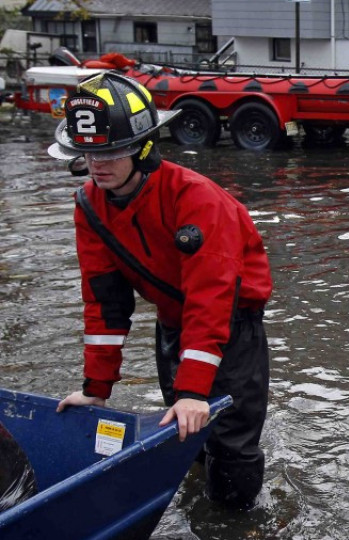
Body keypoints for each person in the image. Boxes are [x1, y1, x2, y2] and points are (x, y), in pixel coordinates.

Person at [47, 72, 273, 511]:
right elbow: (104, 303)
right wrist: (97, 388)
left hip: (232, 325)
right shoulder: (90, 207)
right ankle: (196, 491)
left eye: (112, 151)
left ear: (144, 147)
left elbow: (212, 299)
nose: (99, 165)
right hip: (173, 322)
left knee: (232, 443)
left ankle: (238, 521)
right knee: (184, 430)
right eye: (88, 153)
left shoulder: (198, 200)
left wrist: (194, 389)